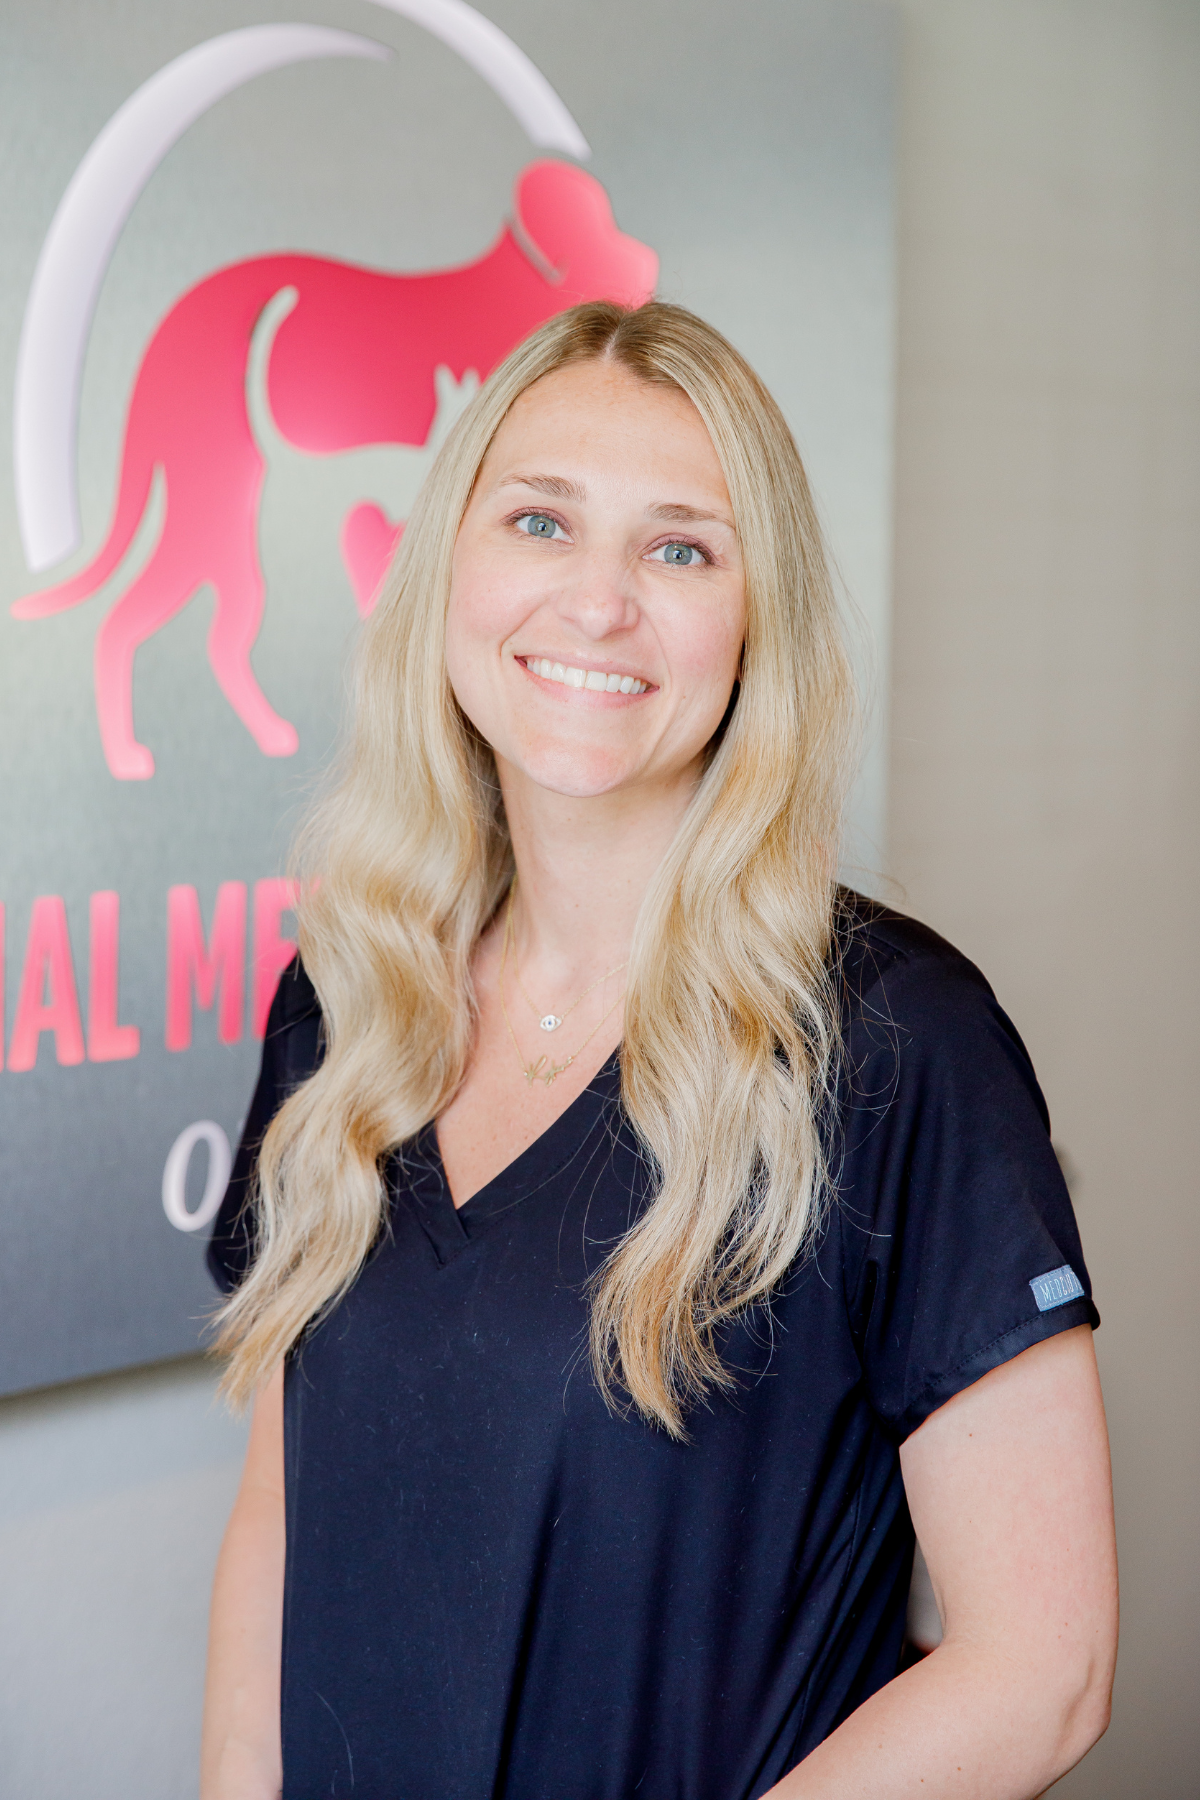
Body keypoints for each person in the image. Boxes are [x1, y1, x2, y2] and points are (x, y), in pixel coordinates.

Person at [202, 300, 1117, 1800]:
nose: (599, 602)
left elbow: (1045, 1665)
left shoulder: (896, 1043)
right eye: (541, 523)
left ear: (758, 622)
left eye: (680, 548)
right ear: (449, 569)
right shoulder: (347, 1001)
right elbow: (282, 1523)